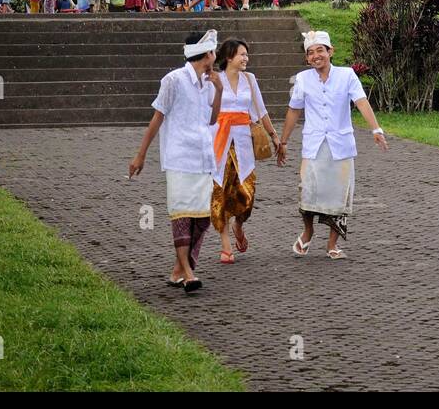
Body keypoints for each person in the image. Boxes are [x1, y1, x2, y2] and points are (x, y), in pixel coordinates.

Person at [276, 30, 388, 260]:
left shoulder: (347, 76)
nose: (316, 56)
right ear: (307, 58)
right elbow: (294, 110)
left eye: (320, 51)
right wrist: (283, 141)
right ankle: (308, 232)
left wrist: (375, 128)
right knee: (307, 191)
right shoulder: (303, 79)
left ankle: (332, 244)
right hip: (314, 145)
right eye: (311, 53)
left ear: (330, 52)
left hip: (340, 145)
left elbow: (360, 101)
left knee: (339, 195)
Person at [128, 30, 224, 293]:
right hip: (180, 158)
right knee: (181, 216)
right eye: (214, 53)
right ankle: (189, 273)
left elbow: (212, 120)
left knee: (202, 218)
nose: (215, 58)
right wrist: (141, 154)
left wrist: (219, 89)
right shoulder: (173, 80)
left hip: (204, 157)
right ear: (207, 54)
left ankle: (178, 270)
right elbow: (157, 118)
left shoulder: (208, 82)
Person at [210, 38, 278, 262]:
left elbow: (260, 110)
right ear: (229, 57)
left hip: (243, 142)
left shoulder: (250, 79)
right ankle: (225, 244)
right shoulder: (213, 80)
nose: (246, 58)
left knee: (246, 193)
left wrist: (274, 135)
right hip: (219, 141)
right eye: (242, 54)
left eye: (247, 55)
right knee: (220, 191)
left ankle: (239, 225)